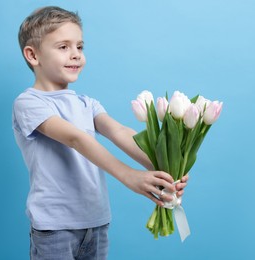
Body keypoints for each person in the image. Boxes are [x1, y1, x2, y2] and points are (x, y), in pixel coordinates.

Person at [12, 6, 188, 260]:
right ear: (33, 55)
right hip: (55, 227)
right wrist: (129, 175)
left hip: (96, 222)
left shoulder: (87, 103)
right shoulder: (29, 103)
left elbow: (119, 132)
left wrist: (166, 168)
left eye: (79, 47)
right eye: (63, 47)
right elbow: (76, 138)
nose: (75, 55)